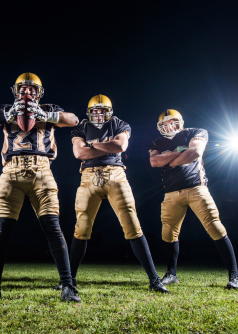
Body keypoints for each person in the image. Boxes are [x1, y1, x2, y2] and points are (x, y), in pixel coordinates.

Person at [0, 73, 81, 302]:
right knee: (2, 230)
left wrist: (47, 115)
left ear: (39, 93)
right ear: (15, 91)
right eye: (23, 88)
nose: (27, 93)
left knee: (53, 227)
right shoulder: (6, 108)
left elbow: (73, 120)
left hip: (41, 170)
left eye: (32, 89)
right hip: (11, 171)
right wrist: (7, 114)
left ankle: (68, 286)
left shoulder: (49, 108)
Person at [57, 94, 168, 293]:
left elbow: (120, 146)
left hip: (115, 175)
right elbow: (79, 153)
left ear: (110, 112)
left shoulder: (119, 123)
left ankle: (154, 279)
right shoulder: (81, 127)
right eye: (95, 111)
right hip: (88, 176)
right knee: (81, 228)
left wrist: (92, 146)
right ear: (89, 112)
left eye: (103, 111)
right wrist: (106, 147)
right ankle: (69, 279)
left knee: (132, 225)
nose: (99, 115)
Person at [149, 109, 238, 289]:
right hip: (170, 193)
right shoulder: (157, 142)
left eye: (172, 122)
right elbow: (154, 162)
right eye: (165, 124)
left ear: (180, 122)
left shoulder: (196, 132)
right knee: (168, 233)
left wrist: (169, 159)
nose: (169, 126)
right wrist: (179, 153)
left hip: (196, 188)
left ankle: (234, 276)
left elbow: (194, 153)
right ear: (160, 127)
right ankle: (171, 274)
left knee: (215, 227)